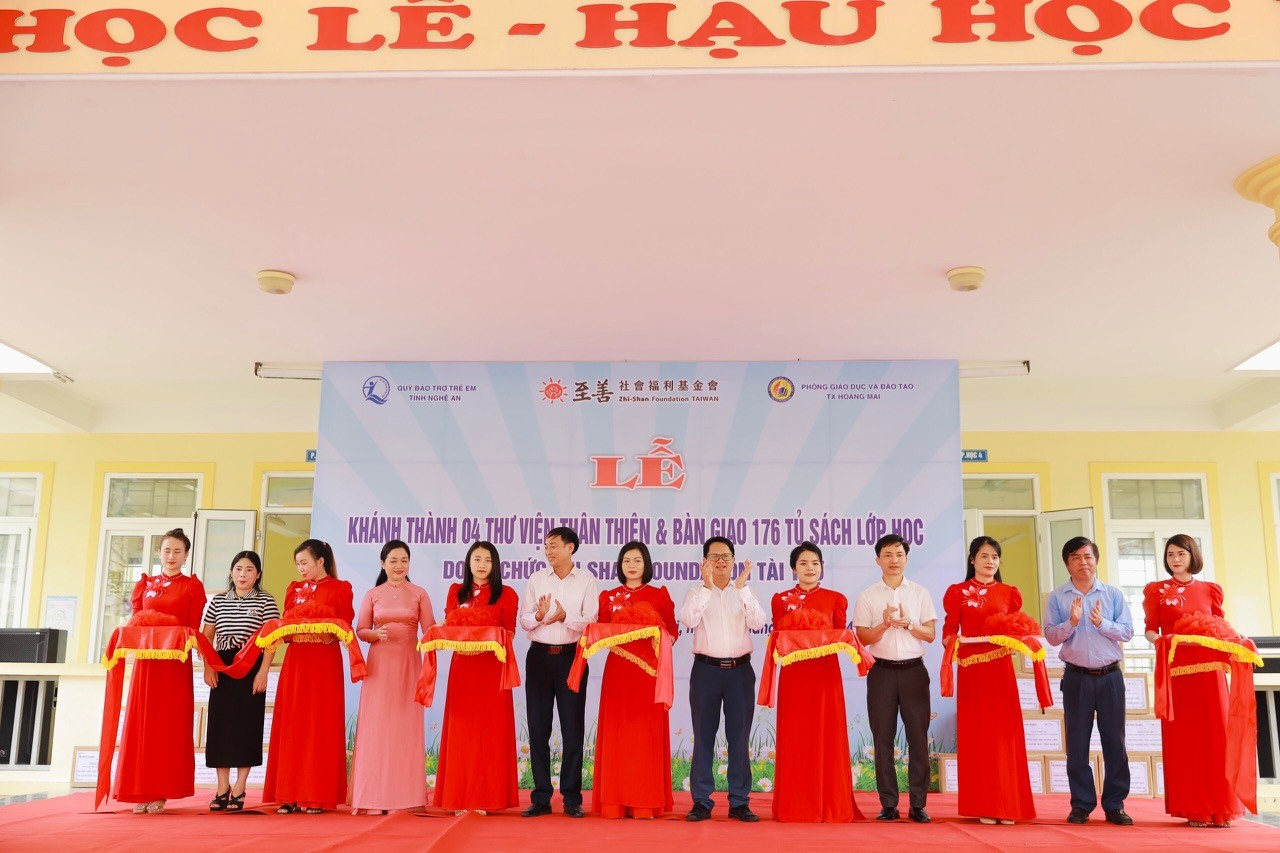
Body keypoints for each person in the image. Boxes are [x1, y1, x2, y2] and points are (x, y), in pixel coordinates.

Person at [1142, 534, 1239, 828]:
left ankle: (1222, 808)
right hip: (1178, 674)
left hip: (1210, 675)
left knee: (1217, 738)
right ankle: (1195, 808)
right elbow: (1150, 629)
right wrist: (1161, 641)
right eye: (1170, 554)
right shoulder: (1157, 591)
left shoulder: (1210, 590)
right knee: (1187, 741)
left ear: (1192, 556)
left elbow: (1222, 628)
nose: (1175, 559)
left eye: (1181, 553)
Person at [941, 536, 1035, 825]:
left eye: (994, 557)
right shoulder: (958, 592)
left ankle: (1008, 804)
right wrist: (953, 642)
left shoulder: (1009, 593)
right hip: (972, 670)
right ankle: (984, 804)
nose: (990, 561)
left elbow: (1017, 629)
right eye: (984, 556)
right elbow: (948, 631)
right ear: (972, 560)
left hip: (1001, 670)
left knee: (1004, 735)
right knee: (979, 735)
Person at [115, 528, 207, 814]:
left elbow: (192, 629)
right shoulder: (145, 584)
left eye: (178, 551)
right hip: (147, 663)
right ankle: (140, 789)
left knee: (167, 725)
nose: (171, 556)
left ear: (186, 555)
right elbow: (135, 623)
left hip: (174, 665)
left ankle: (161, 791)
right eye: (167, 550)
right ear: (159, 553)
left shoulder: (191, 586)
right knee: (142, 723)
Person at [770, 541, 863, 823]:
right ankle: (796, 805)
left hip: (825, 674)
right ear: (793, 568)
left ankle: (830, 804)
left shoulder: (836, 599)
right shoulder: (781, 599)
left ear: (822, 567)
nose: (810, 568)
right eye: (803, 563)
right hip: (794, 675)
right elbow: (779, 637)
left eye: (815, 563)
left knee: (827, 733)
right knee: (796, 736)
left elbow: (840, 637)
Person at [1045, 535, 1134, 826]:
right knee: (1077, 743)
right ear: (1067, 564)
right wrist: (1071, 622)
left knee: (1115, 742)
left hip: (1110, 677)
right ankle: (1081, 805)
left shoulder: (1112, 594)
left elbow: (1127, 632)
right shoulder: (1057, 597)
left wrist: (1101, 623)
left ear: (1096, 560)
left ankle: (1115, 804)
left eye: (1087, 557)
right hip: (1076, 677)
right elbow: (1051, 636)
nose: (1083, 563)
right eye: (1076, 558)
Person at [263, 539, 355, 815]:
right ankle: (288, 793)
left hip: (324, 662)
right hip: (297, 661)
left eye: (305, 562)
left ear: (320, 561)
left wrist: (326, 629)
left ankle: (316, 795)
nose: (301, 569)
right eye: (298, 564)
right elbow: (285, 627)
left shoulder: (340, 588)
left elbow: (345, 626)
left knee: (319, 724)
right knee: (293, 723)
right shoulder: (294, 589)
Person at [679, 536, 765, 823]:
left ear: (733, 560)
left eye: (725, 556)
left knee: (739, 737)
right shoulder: (696, 591)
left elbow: (758, 622)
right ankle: (701, 801)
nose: (720, 561)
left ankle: (739, 802)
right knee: (703, 736)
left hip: (740, 672)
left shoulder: (744, 591)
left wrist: (743, 589)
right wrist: (706, 588)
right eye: (714, 556)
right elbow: (688, 620)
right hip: (706, 671)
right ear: (705, 561)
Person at [853, 533, 937, 823]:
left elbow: (931, 634)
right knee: (883, 739)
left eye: (899, 554)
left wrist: (909, 624)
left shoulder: (920, 593)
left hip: (914, 672)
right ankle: (888, 804)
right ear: (878, 560)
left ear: (906, 559)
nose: (894, 560)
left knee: (918, 739)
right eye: (887, 555)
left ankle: (918, 805)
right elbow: (862, 638)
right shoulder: (868, 596)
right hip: (882, 673)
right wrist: (885, 624)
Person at [591, 541, 678, 819]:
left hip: (648, 673)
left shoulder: (658, 595)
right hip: (618, 671)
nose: (632, 565)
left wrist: (654, 638)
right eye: (627, 560)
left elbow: (672, 634)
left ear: (646, 564)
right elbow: (602, 632)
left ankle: (644, 802)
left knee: (644, 735)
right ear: (620, 564)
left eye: (637, 560)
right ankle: (614, 801)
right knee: (618, 733)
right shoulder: (608, 597)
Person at [433, 540, 521, 814]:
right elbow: (449, 627)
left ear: (495, 565)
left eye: (487, 560)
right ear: (468, 563)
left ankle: (486, 798)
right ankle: (459, 798)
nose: (482, 565)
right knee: (462, 732)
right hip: (463, 668)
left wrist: (484, 637)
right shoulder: (456, 592)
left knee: (489, 733)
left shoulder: (506, 594)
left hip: (492, 669)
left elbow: (509, 634)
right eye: (477, 559)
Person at [350, 539, 436, 814]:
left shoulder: (419, 593)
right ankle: (373, 799)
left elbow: (430, 630)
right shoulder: (373, 594)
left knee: (406, 728)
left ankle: (406, 799)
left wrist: (449, 626)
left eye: (404, 561)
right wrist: (374, 635)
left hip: (409, 663)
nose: (399, 566)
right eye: (393, 560)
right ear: (383, 563)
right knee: (377, 728)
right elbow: (360, 630)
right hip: (379, 667)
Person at [519, 526, 598, 818]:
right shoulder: (537, 579)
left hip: (571, 658)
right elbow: (524, 620)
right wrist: (539, 615)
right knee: (538, 729)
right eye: (546, 546)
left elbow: (591, 622)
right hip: (538, 658)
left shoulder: (587, 581)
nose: (548, 551)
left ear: (570, 547)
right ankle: (540, 797)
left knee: (572, 729)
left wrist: (566, 617)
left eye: (554, 545)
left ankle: (571, 798)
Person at [201, 550, 280, 812]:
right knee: (220, 727)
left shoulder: (266, 601)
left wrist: (263, 672)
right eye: (238, 569)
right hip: (222, 667)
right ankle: (222, 787)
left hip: (251, 667)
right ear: (231, 572)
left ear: (258, 575)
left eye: (249, 570)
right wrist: (208, 667)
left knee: (247, 726)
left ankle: (240, 787)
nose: (242, 574)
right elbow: (206, 636)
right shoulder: (218, 601)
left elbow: (271, 640)